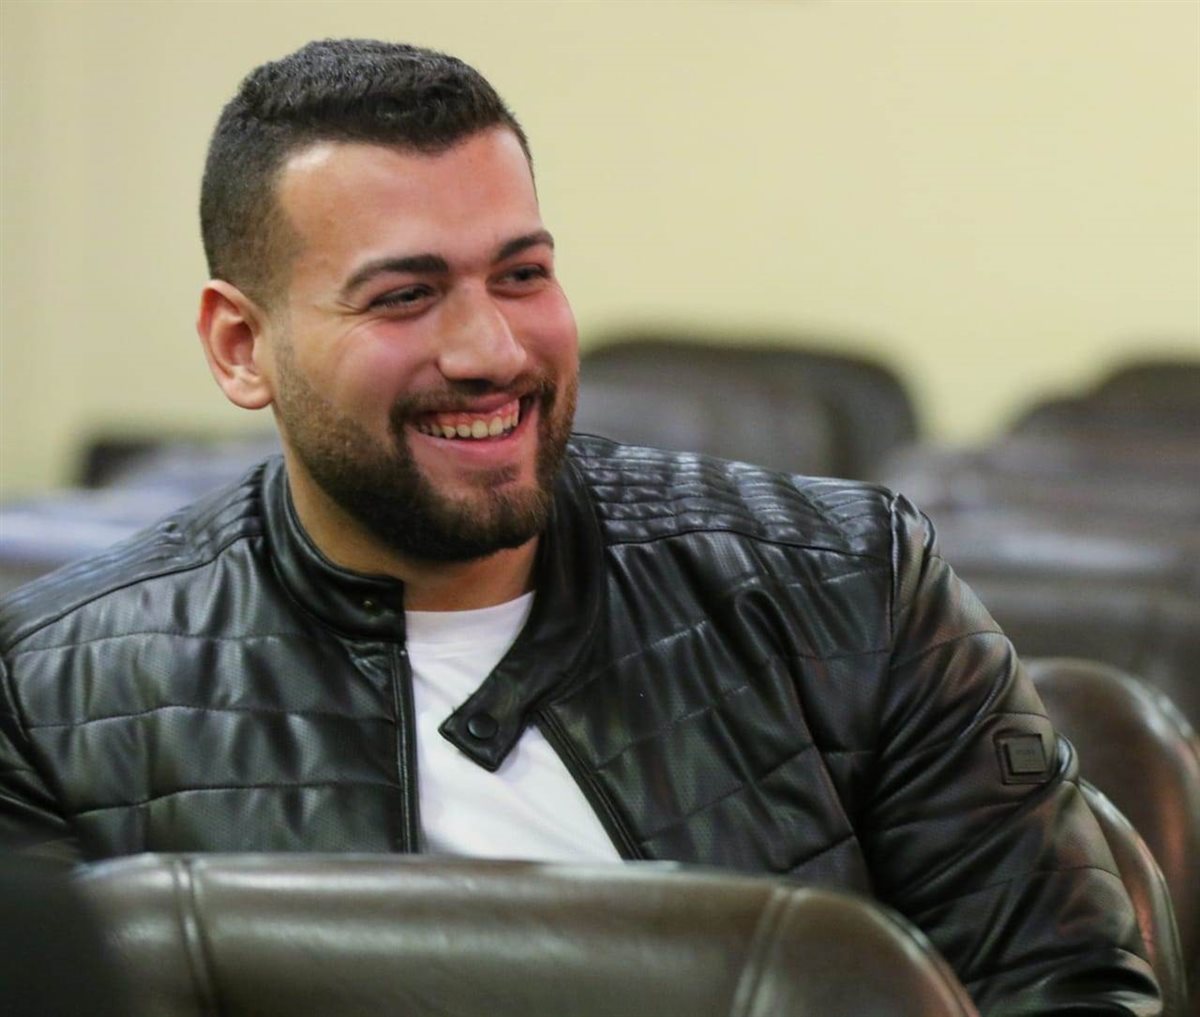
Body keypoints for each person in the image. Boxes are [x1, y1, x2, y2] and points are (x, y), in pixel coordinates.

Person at [0, 39, 1160, 1015]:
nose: (492, 349)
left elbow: (1065, 988)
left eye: (521, 275)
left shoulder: (855, 590)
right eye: (405, 296)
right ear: (239, 346)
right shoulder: (47, 696)